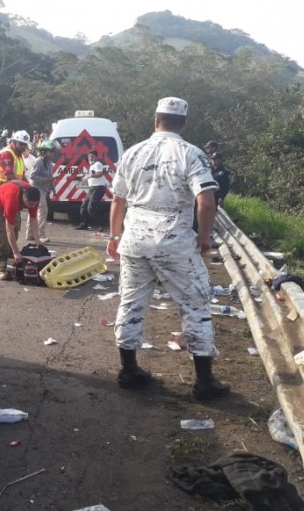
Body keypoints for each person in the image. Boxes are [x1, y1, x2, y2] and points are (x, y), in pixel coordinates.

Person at [106, 96, 229, 401]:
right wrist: (203, 238)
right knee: (195, 304)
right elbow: (206, 200)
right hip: (175, 241)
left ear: (155, 119)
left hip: (134, 239)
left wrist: (114, 237)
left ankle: (129, 370)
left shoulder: (133, 152)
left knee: (131, 303)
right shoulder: (192, 154)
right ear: (184, 124)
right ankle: (204, 381)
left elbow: (118, 200)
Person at [0, 179, 41, 279]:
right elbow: (8, 230)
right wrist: (16, 252)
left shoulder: (33, 197)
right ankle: (2, 269)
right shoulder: (12, 199)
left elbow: (33, 219)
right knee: (1, 233)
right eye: (30, 204)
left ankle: (9, 260)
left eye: (34, 204)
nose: (32, 206)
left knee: (15, 232)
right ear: (24, 198)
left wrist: (38, 241)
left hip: (9, 197)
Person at [26, 140, 56, 242]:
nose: (52, 153)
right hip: (36, 189)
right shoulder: (39, 161)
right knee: (43, 212)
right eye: (50, 151)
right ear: (44, 151)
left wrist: (53, 189)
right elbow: (32, 176)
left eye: (53, 151)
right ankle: (40, 235)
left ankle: (30, 234)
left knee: (33, 212)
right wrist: (45, 180)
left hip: (43, 189)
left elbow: (50, 177)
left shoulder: (49, 163)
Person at [75, 150, 107, 230]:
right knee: (84, 206)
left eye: (92, 156)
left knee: (91, 208)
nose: (90, 158)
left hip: (98, 188)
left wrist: (89, 176)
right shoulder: (92, 166)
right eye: (89, 156)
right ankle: (84, 225)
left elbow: (100, 174)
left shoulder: (98, 164)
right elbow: (92, 175)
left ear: (96, 157)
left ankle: (102, 224)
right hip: (92, 188)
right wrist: (84, 178)